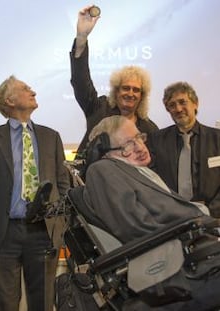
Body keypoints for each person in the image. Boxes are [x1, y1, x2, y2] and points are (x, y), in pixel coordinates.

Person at [80, 115, 220, 310]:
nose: (139, 146)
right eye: (128, 145)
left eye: (138, 137)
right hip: (181, 267)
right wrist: (195, 234)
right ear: (104, 152)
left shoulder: (142, 172)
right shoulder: (102, 170)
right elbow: (135, 229)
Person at [0, 76, 70, 311]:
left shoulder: (52, 137)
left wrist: (60, 227)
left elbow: (63, 185)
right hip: (5, 232)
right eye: (26, 89)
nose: (34, 92)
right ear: (9, 100)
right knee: (4, 303)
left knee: (43, 302)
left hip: (43, 232)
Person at [70, 5, 158, 157]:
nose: (130, 93)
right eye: (126, 88)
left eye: (136, 90)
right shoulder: (99, 109)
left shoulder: (149, 129)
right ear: (116, 91)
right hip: (92, 177)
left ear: (142, 96)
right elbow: (80, 81)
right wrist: (81, 37)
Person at [147, 82, 220, 217]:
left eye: (182, 102)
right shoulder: (156, 140)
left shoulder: (217, 139)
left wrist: (210, 211)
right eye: (172, 105)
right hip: (171, 216)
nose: (178, 109)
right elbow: (151, 179)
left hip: (214, 216)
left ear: (195, 103)